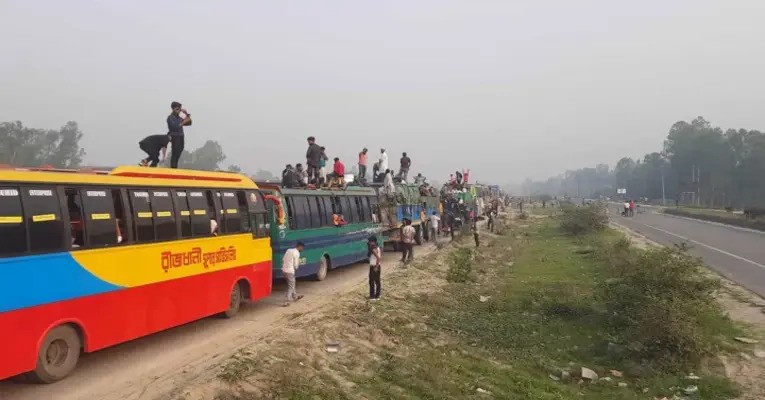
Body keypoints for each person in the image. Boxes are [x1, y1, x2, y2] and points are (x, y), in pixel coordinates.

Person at [167, 101, 192, 168]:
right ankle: (173, 167)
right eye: (177, 109)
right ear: (173, 109)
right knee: (175, 152)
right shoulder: (170, 117)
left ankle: (175, 166)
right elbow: (175, 127)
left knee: (180, 150)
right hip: (175, 136)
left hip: (181, 136)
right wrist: (183, 122)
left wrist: (186, 114)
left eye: (179, 109)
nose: (178, 111)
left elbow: (189, 122)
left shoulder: (179, 117)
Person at [282, 242, 306, 307]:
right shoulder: (297, 253)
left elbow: (283, 259)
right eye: (302, 248)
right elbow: (296, 265)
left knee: (292, 284)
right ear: (300, 247)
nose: (302, 249)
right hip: (290, 271)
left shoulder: (288, 250)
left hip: (284, 270)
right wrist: (296, 268)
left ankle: (295, 297)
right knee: (291, 286)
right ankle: (286, 301)